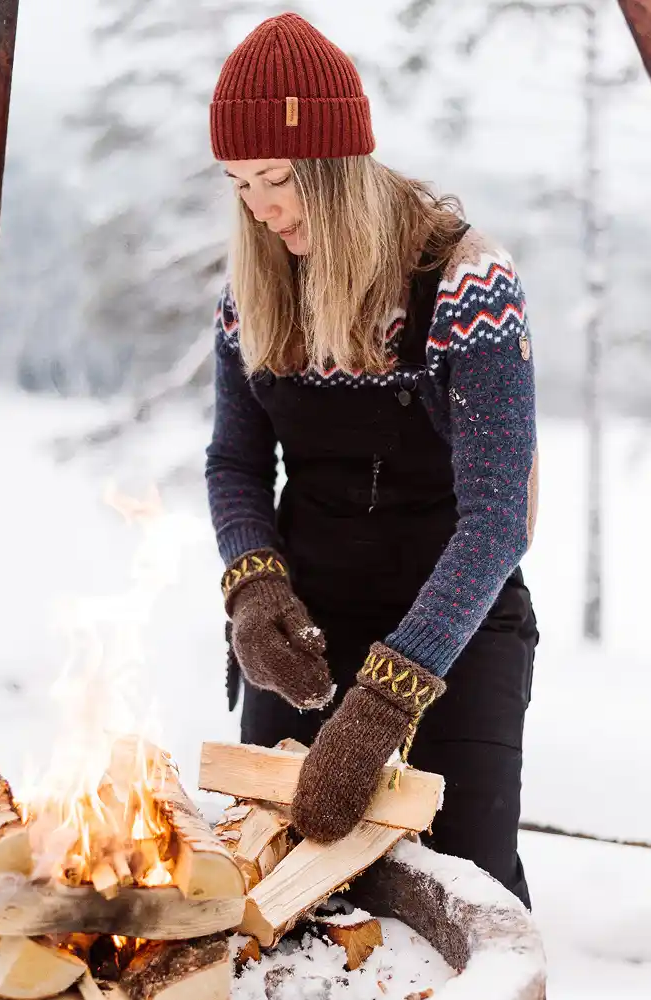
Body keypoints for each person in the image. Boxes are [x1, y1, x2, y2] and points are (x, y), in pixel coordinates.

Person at [204, 11, 538, 910]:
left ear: (339, 167)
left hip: (456, 624)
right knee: (268, 880)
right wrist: (255, 590)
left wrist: (389, 697)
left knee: (460, 889)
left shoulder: (464, 281)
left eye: (278, 178)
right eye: (239, 184)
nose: (262, 208)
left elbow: (500, 517)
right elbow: (235, 462)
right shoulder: (254, 287)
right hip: (305, 624)